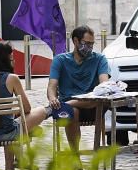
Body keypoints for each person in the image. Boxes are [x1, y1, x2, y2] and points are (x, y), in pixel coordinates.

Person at [0, 41, 47, 170]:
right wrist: (12, 111)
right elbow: (26, 108)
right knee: (42, 111)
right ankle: (10, 167)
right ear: (4, 60)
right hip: (7, 133)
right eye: (11, 58)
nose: (13, 61)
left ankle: (11, 167)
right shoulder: (11, 79)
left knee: (10, 120)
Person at [46, 25, 112, 153]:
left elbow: (104, 84)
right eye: (86, 43)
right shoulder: (60, 60)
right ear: (76, 41)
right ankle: (75, 157)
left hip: (93, 105)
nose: (90, 48)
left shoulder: (99, 59)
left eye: (92, 44)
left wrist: (104, 87)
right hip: (69, 108)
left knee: (97, 99)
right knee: (71, 111)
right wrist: (53, 98)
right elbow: (51, 86)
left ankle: (66, 105)